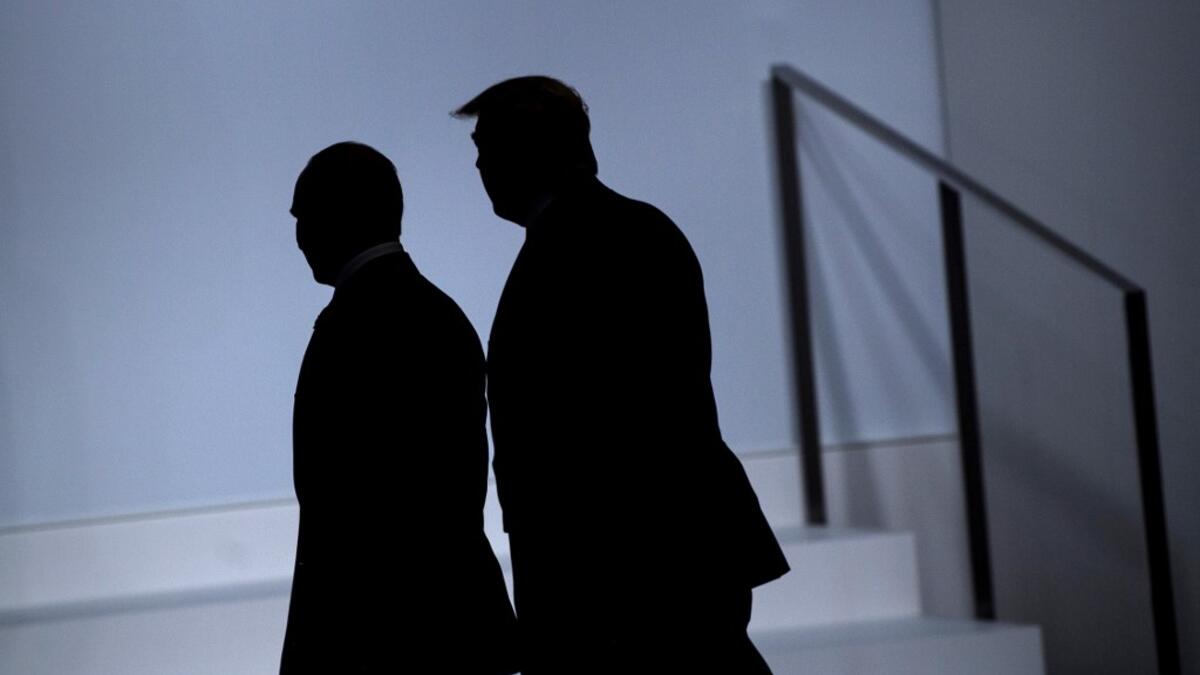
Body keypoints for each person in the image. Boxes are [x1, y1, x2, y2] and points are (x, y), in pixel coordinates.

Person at [456, 77, 789, 674]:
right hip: (651, 560)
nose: (478, 165)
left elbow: (615, 423)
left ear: (528, 150)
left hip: (626, 570)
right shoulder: (627, 231)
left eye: (487, 147)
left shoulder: (578, 247)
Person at [280, 142, 518, 674]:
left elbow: (358, 505)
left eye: (304, 216)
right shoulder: (434, 312)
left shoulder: (355, 323)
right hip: (445, 621)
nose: (297, 238)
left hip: (384, 632)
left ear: (337, 214)